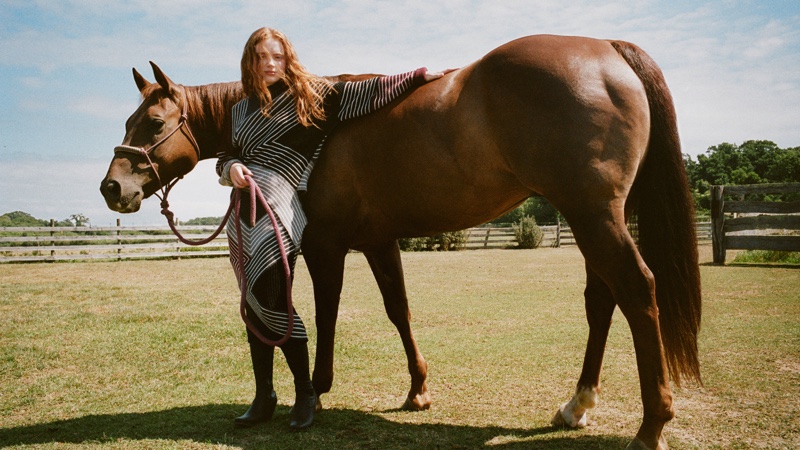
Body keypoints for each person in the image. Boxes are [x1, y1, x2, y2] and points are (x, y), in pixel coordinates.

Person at [216, 27, 451, 430]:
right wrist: (230, 168)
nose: (269, 64)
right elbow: (228, 154)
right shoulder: (240, 111)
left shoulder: (310, 97)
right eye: (261, 57)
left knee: (274, 295)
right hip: (246, 210)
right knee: (254, 299)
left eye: (276, 57)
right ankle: (263, 396)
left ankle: (306, 392)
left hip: (285, 205)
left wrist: (416, 77)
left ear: (287, 60)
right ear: (250, 62)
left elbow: (363, 94)